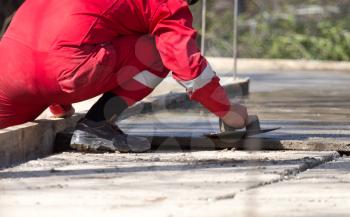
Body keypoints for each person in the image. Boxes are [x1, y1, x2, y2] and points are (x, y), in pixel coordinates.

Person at [0, 0, 248, 152]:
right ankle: (96, 125)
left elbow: (59, 30)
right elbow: (189, 69)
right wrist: (228, 112)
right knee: (159, 51)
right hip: (65, 70)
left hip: (9, 73)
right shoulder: (167, 3)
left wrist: (59, 105)